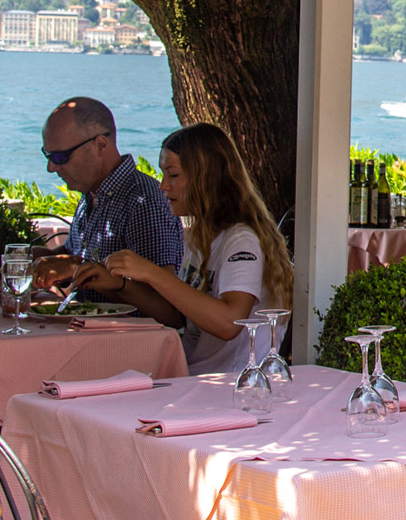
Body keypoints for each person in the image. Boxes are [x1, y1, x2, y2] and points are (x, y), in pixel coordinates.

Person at [75, 122, 293, 373]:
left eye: (173, 175)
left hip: (228, 382)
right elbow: (177, 316)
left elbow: (230, 323)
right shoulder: (201, 237)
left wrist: (151, 272)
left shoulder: (241, 240)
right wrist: (120, 286)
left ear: (206, 178)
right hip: (191, 374)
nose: (163, 186)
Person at [33, 97, 184, 293]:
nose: (51, 167)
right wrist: (41, 260)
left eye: (60, 157)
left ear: (100, 145)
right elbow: (74, 258)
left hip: (130, 325)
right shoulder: (92, 192)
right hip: (84, 322)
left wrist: (77, 266)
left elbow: (162, 298)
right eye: (48, 155)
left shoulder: (144, 201)